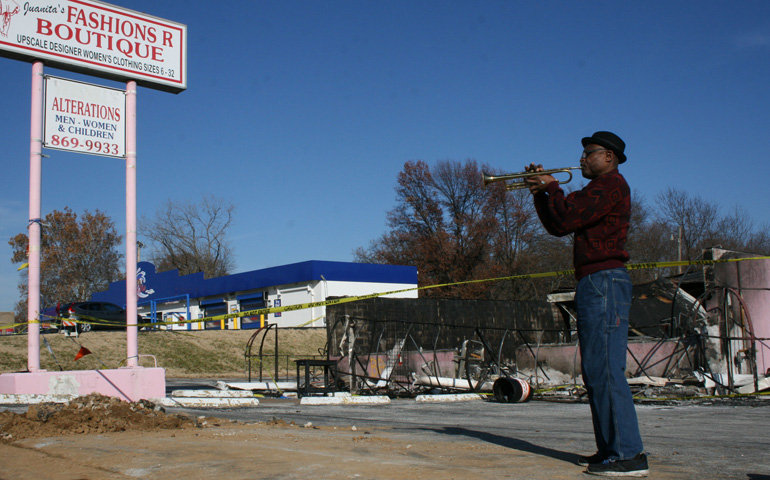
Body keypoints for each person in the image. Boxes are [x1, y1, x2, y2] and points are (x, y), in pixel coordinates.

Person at [524, 131, 648, 477]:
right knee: (595, 372)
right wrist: (542, 194)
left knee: (607, 370)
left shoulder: (610, 185)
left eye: (588, 153)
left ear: (608, 156)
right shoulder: (597, 188)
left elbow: (567, 216)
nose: (581, 159)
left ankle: (630, 454)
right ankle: (611, 449)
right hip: (594, 281)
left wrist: (552, 187)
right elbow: (557, 224)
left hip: (605, 279)